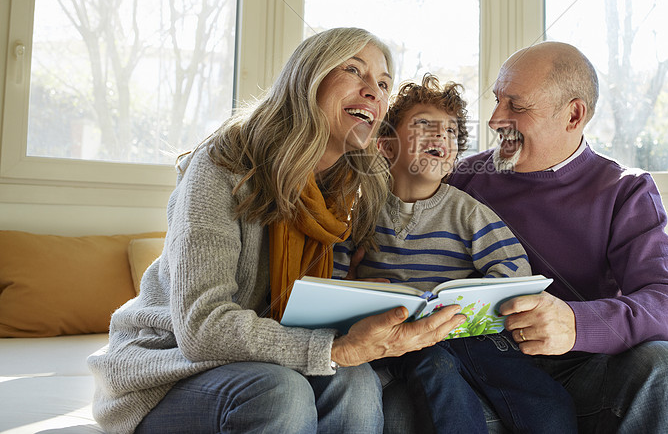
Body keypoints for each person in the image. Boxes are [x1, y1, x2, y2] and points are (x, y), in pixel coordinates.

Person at [87, 28, 466, 434]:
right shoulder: (222, 165)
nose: (374, 91)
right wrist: (337, 347)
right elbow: (202, 327)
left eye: (384, 83)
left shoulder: (357, 186)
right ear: (308, 77)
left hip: (273, 359)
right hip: (170, 370)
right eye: (354, 70)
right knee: (282, 390)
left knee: (355, 383)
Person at [447, 41, 668, 433]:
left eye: (516, 106)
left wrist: (575, 324)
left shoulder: (624, 190)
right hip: (482, 374)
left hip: (586, 370)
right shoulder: (462, 179)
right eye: (497, 100)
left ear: (573, 115)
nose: (494, 119)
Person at [334, 74, 577, 434]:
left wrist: (468, 301)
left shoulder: (467, 211)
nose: (440, 137)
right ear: (386, 146)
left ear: (453, 159)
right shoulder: (362, 209)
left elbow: (513, 268)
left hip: (467, 330)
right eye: (424, 126)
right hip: (402, 335)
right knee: (436, 368)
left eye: (449, 133)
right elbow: (334, 274)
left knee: (532, 389)